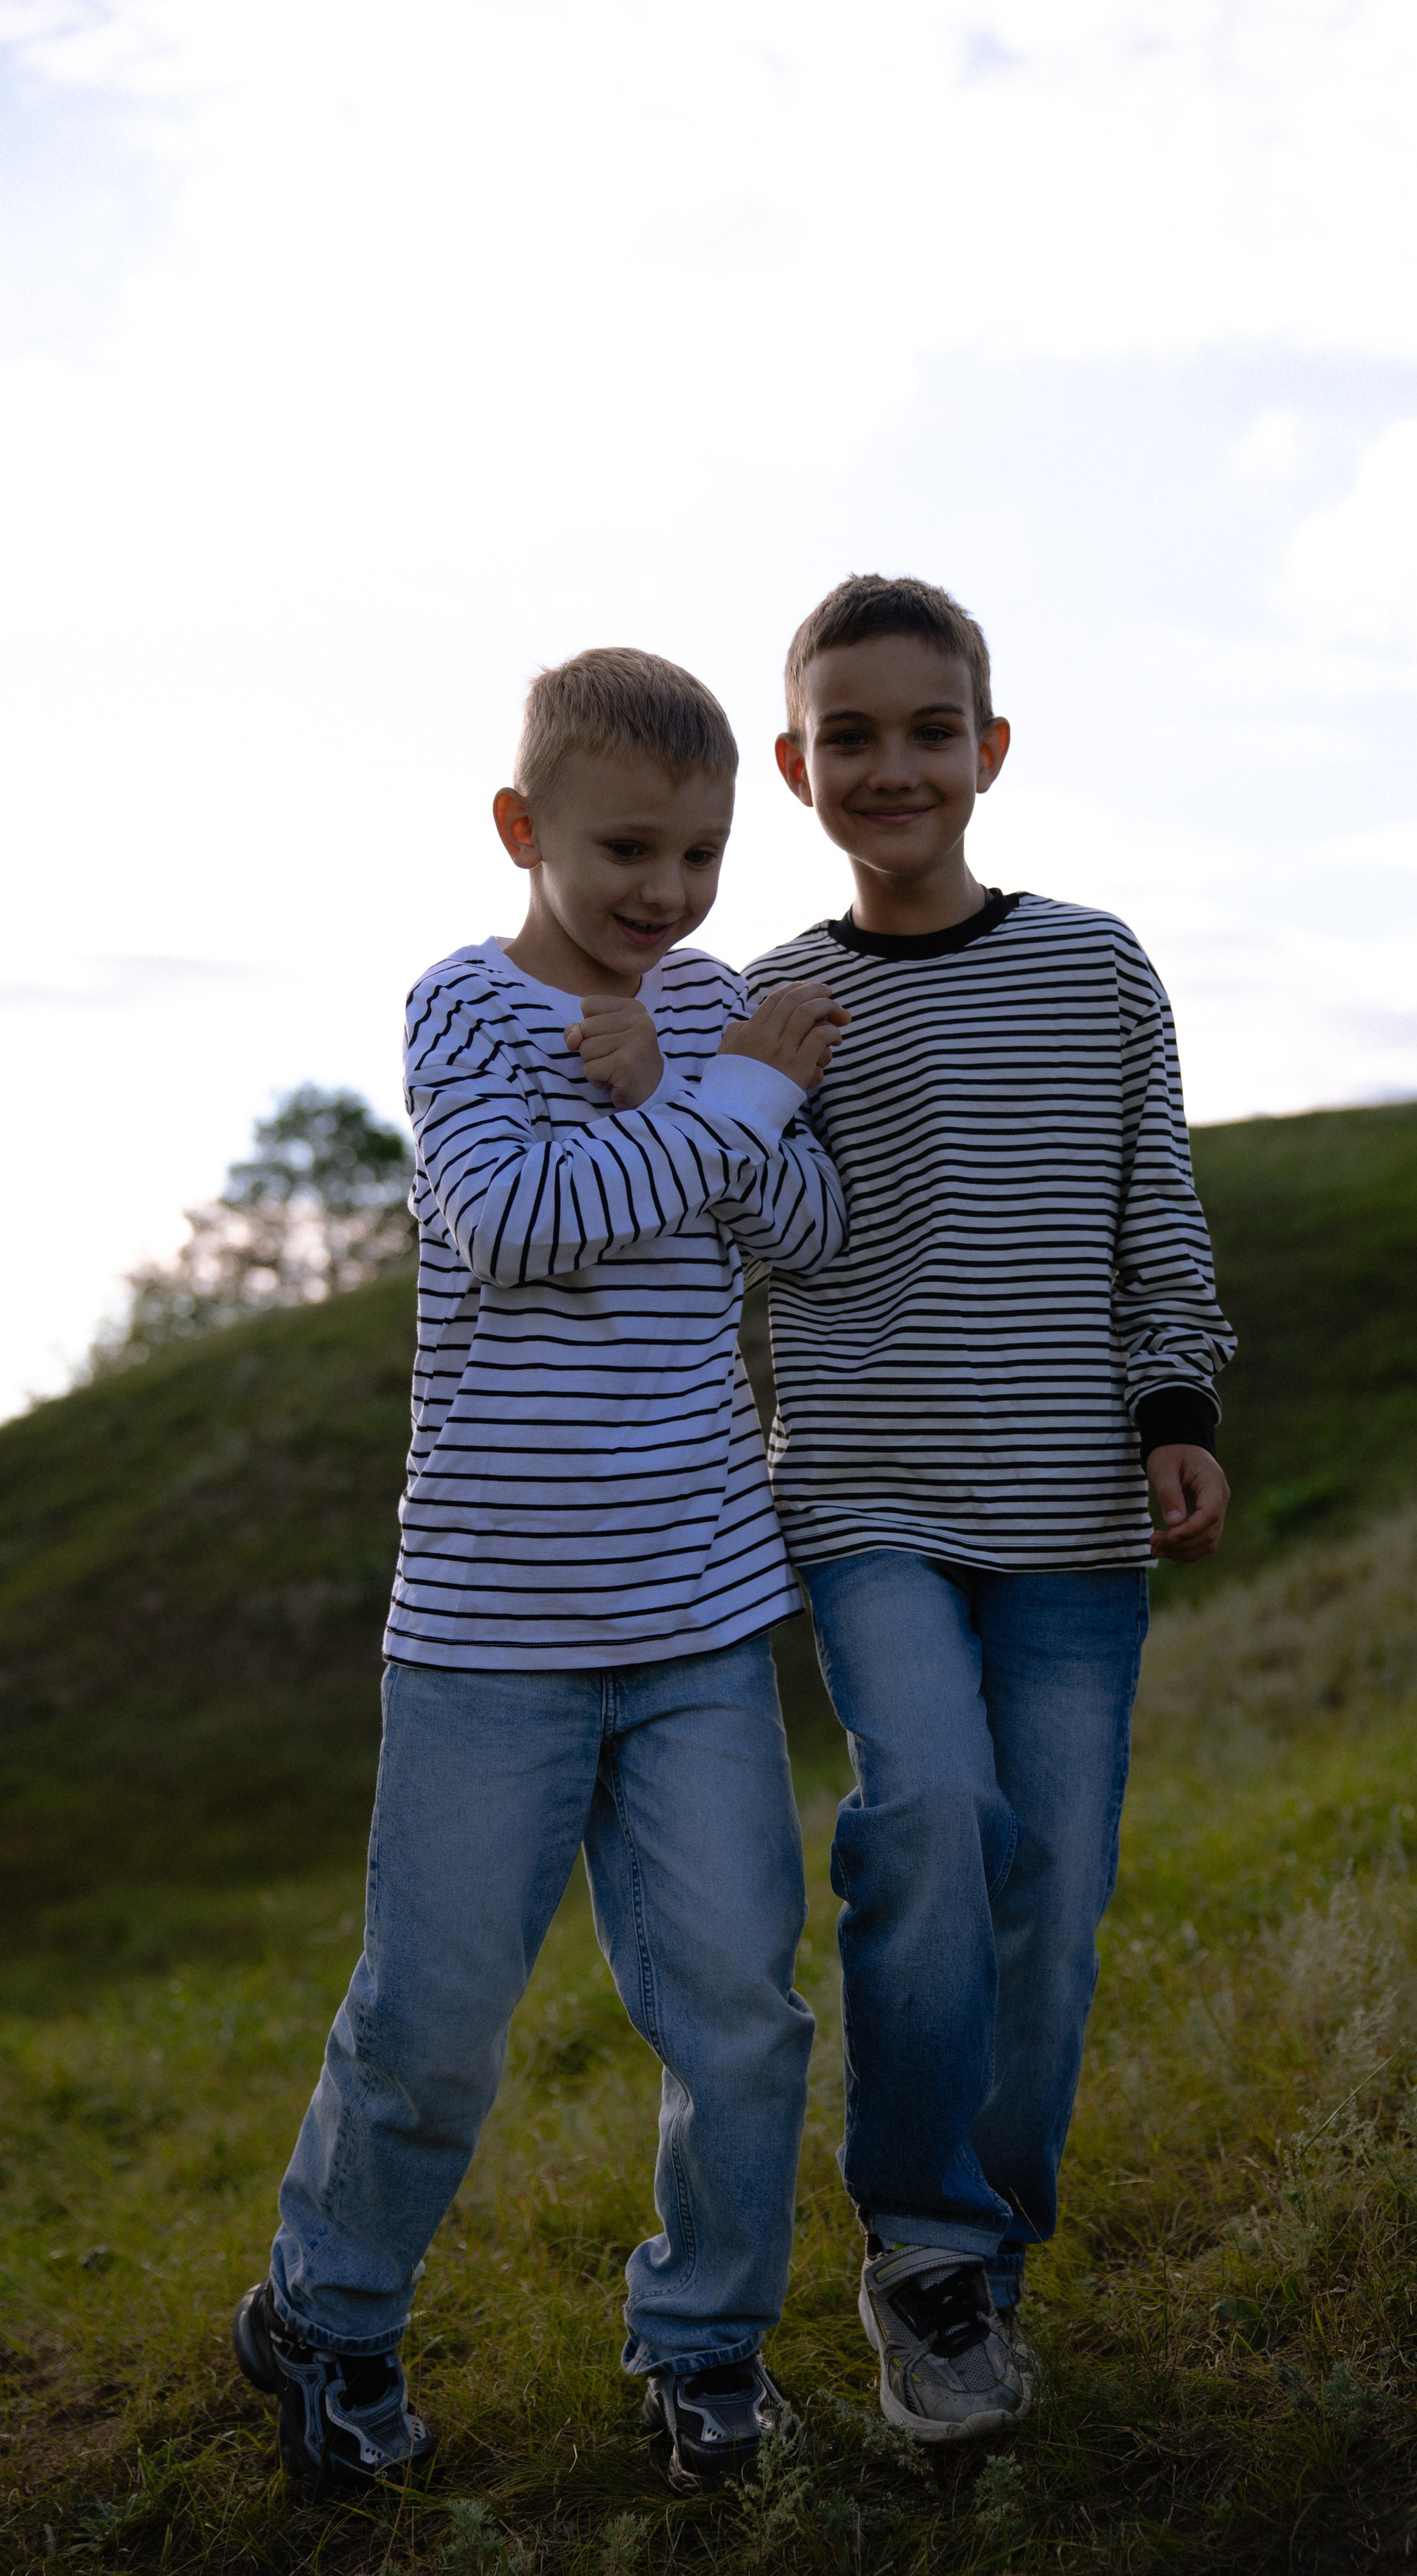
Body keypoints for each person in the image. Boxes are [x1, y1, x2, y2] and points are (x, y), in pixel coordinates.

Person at [232, 647, 849, 2496]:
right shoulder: (468, 1013)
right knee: (427, 2024)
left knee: (741, 2007)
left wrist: (704, 1077)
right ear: (526, 830)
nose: (668, 897)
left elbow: (805, 1226)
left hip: (701, 1625)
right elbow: (516, 1224)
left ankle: (709, 2349)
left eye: (705, 857)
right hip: (491, 1635)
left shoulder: (720, 1007)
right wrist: (716, 1102)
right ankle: (327, 2324)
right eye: (627, 852)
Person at [745, 575, 1236, 2443]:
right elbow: (743, 1215)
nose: (893, 766)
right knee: (929, 1813)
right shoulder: (782, 1002)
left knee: (1058, 1887)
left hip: (1072, 1513)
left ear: (990, 750)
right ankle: (927, 2247)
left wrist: (1176, 1399)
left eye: (927, 730)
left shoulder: (1101, 968)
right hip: (866, 1492)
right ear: (796, 768)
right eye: (849, 737)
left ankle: (985, 2265)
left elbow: (1155, 1201)